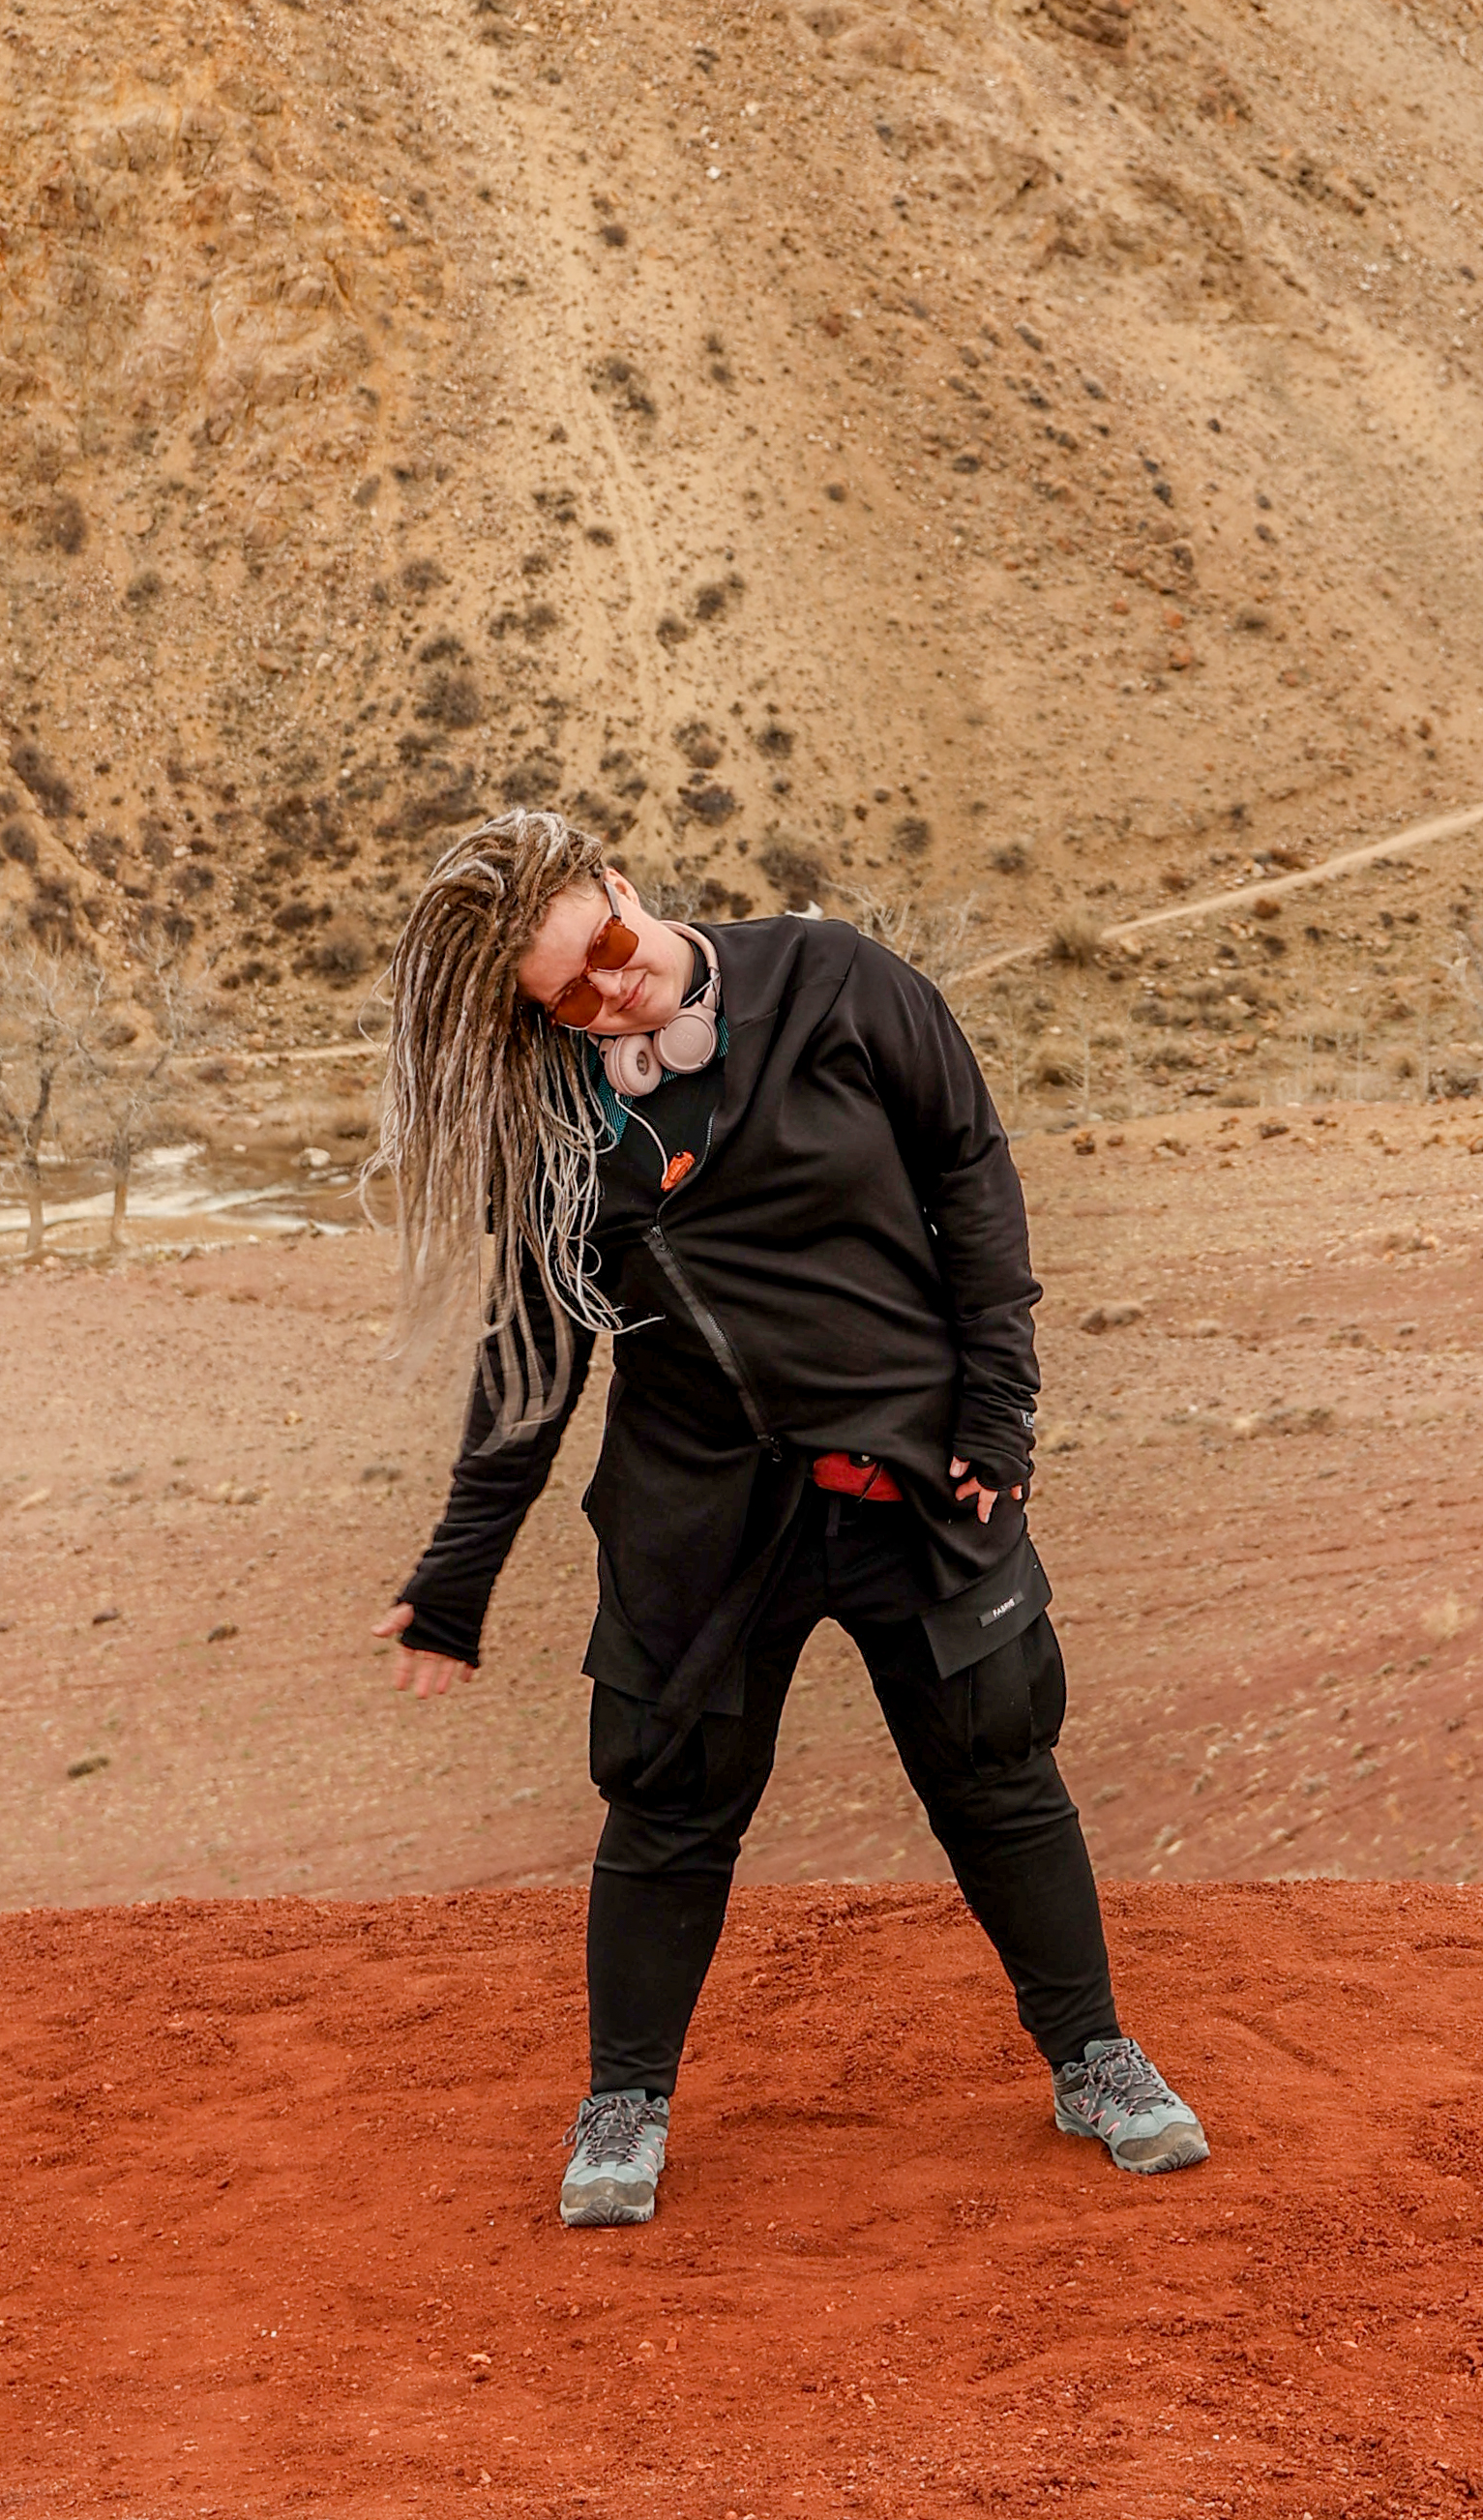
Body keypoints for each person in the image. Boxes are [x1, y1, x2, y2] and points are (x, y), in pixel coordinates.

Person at [368, 805, 1206, 2227]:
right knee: (668, 1802)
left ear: (623, 887)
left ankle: (1093, 2059)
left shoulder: (837, 980)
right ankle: (623, 2103)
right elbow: (534, 1356)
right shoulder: (565, 1115)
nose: (610, 994)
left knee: (997, 1770)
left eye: (613, 953)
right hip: (700, 1508)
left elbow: (973, 1186)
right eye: (566, 993)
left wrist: (997, 1418)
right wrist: (456, 1580)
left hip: (916, 1478)